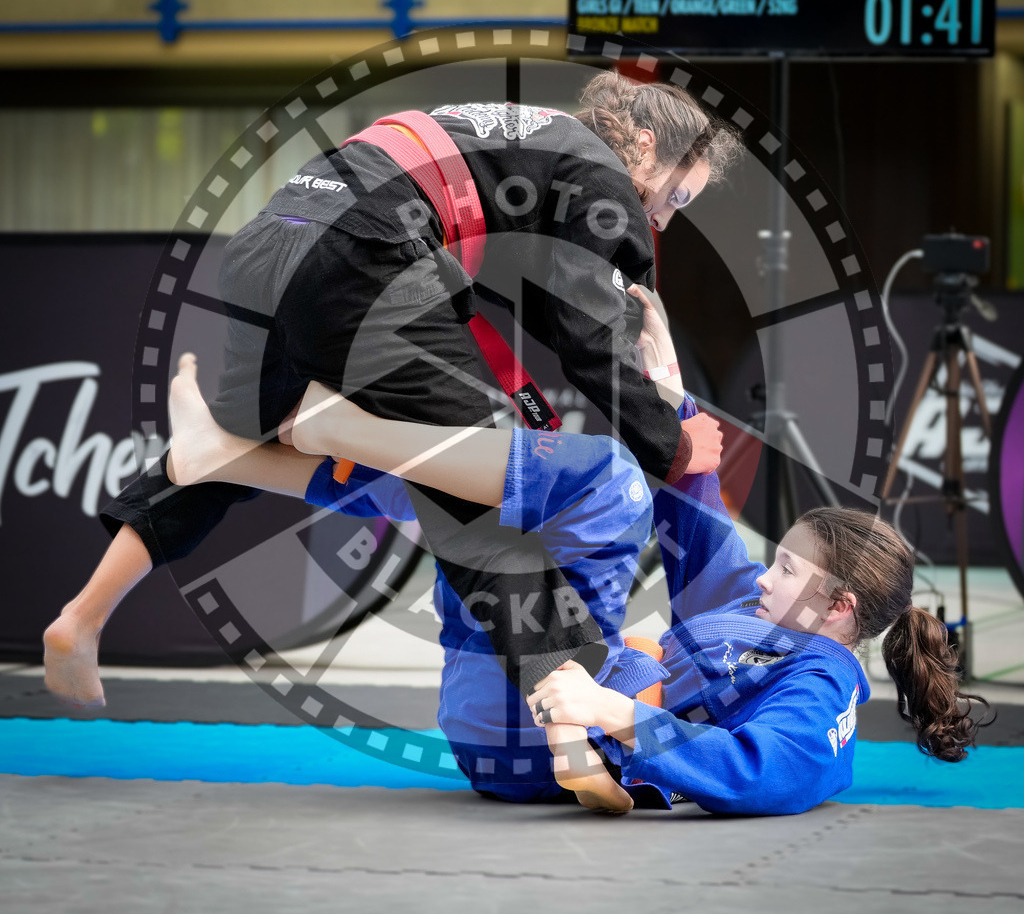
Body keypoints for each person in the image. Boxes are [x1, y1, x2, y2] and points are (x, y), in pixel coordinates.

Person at [48, 285, 989, 816]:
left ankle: (314, 432)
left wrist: (615, 711)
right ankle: (231, 456)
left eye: (790, 569)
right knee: (475, 500)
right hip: (511, 706)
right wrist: (668, 390)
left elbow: (768, 773)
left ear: (839, 614)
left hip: (544, 726)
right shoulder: (752, 607)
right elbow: (696, 505)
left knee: (605, 482)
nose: (766, 571)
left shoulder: (822, 685)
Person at [44, 71, 740, 708]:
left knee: (219, 453)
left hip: (269, 244)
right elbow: (588, 330)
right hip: (362, 260)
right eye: (674, 195)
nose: (662, 218)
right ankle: (572, 701)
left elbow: (530, 304)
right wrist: (670, 439)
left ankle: (81, 619)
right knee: (474, 483)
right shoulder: (596, 170)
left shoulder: (530, 136)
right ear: (645, 147)